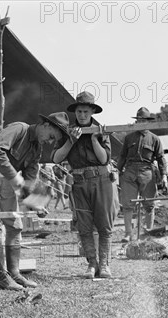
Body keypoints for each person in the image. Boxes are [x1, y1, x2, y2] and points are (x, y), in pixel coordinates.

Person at [0, 112, 73, 290]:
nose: (49, 142)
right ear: (46, 125)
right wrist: (13, 177)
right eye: (50, 137)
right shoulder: (20, 128)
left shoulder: (37, 150)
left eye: (53, 141)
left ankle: (15, 274)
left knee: (15, 225)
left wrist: (36, 203)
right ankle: (2, 277)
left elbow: (29, 181)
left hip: (6, 181)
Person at [52, 92, 115, 279]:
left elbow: (104, 159)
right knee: (84, 226)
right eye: (79, 111)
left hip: (101, 180)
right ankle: (91, 264)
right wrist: (71, 141)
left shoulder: (100, 131)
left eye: (86, 111)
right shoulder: (68, 132)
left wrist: (95, 139)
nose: (82, 115)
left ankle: (104, 265)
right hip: (78, 182)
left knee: (104, 225)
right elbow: (56, 158)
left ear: (93, 111)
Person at [117, 107, 168, 242]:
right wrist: (117, 172)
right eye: (139, 120)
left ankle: (147, 233)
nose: (141, 122)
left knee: (149, 204)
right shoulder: (129, 138)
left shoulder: (155, 139)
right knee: (128, 204)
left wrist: (164, 175)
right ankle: (128, 234)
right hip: (130, 171)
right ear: (136, 121)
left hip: (147, 172)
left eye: (144, 120)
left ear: (148, 122)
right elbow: (122, 156)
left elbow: (161, 158)